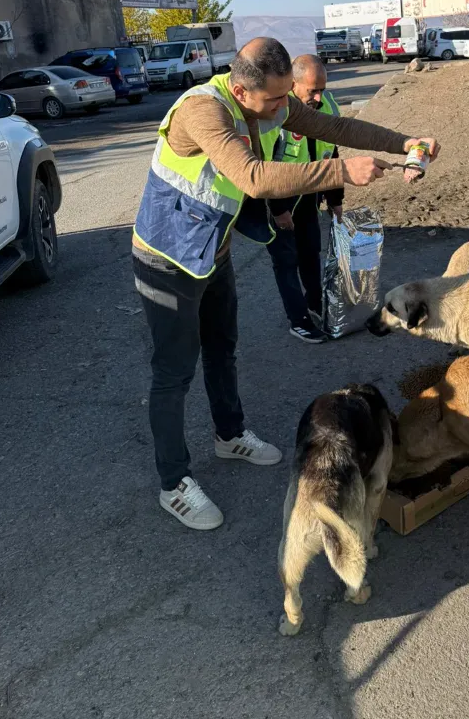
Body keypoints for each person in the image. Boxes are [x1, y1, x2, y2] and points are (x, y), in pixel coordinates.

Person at [132, 37, 439, 530]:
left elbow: (335, 125)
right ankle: (174, 483)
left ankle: (229, 435)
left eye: (284, 98)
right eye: (276, 100)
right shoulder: (203, 112)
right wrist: (341, 170)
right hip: (166, 258)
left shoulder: (265, 102)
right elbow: (252, 177)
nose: (285, 107)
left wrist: (403, 143)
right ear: (240, 88)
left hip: (213, 250)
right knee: (173, 373)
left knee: (222, 349)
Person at [266, 54, 343, 343]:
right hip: (280, 200)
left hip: (308, 197)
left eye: (322, 88)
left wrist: (335, 199)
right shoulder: (275, 111)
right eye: (312, 90)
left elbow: (331, 153)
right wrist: (278, 210)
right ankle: (298, 321)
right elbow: (267, 167)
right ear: (292, 84)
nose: (319, 96)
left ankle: (315, 307)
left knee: (311, 253)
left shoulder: (326, 104)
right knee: (286, 260)